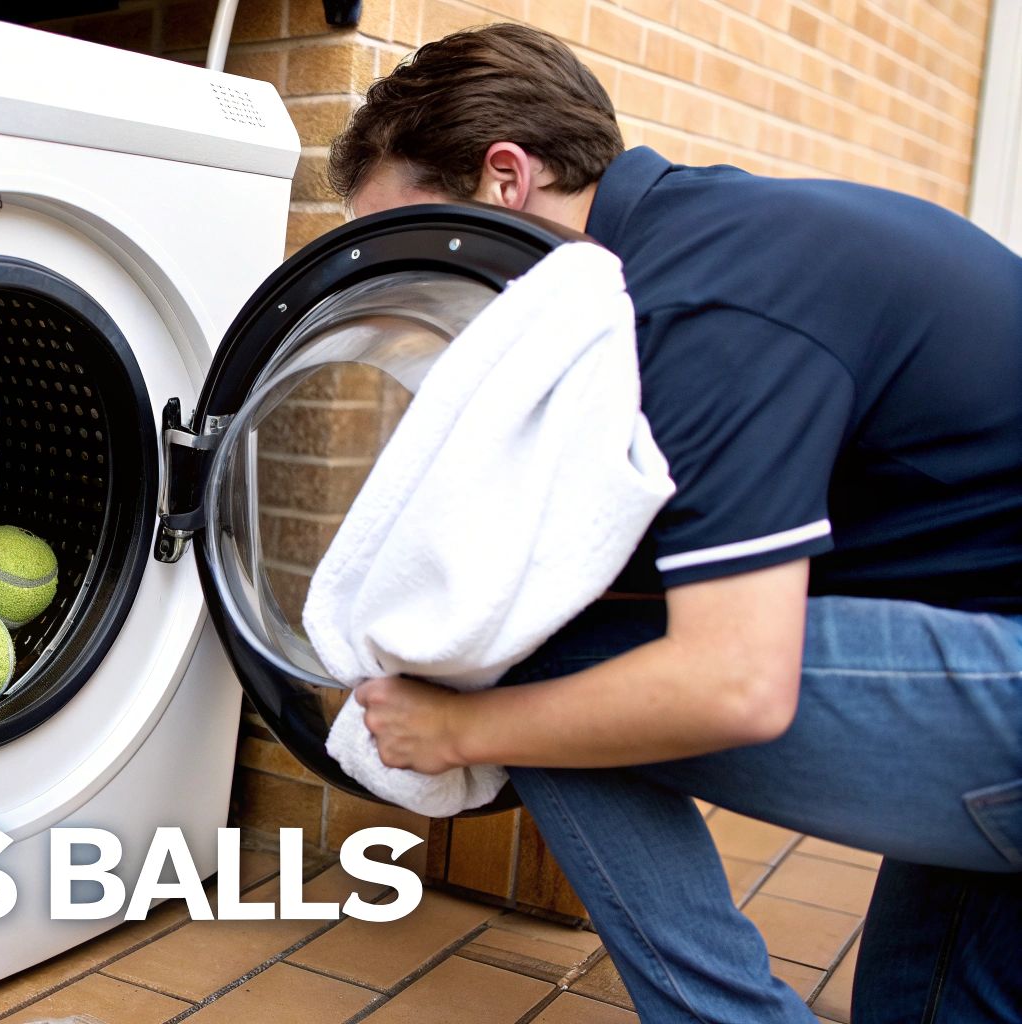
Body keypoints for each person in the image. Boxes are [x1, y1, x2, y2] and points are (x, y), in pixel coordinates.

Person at [326, 22, 1022, 1023]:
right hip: (988, 647)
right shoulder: (718, 242)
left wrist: (459, 723)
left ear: (505, 180)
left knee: (532, 646)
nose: (416, 300)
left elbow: (731, 682)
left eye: (406, 250)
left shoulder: (700, 302)